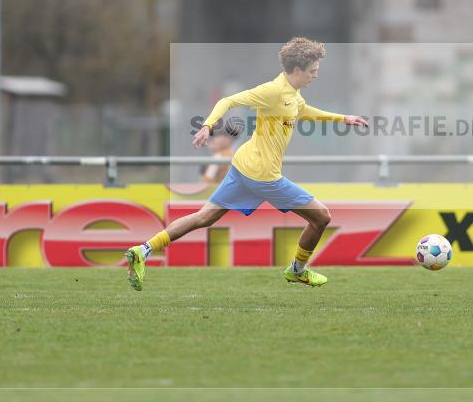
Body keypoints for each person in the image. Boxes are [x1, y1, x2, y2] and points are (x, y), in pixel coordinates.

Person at [126, 37, 368, 289]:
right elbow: (227, 101)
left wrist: (343, 118)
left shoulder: (292, 94)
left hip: (243, 167)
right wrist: (207, 126)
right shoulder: (273, 91)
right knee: (321, 218)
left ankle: (143, 250)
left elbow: (303, 110)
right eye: (313, 71)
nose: (316, 75)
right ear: (297, 70)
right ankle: (297, 270)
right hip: (264, 176)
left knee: (203, 218)